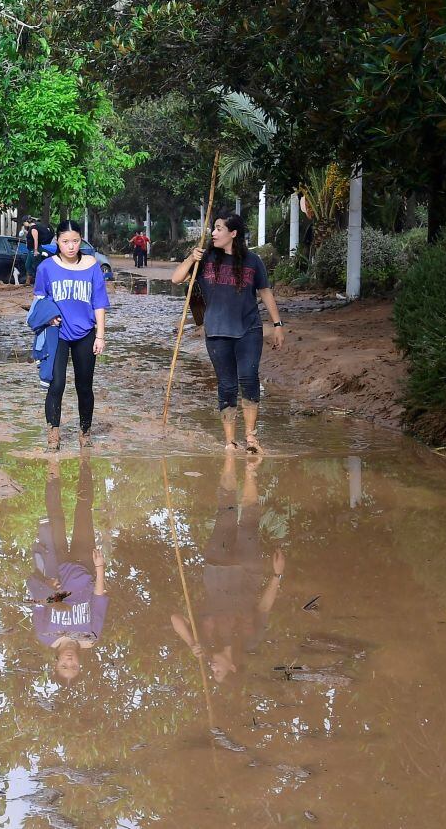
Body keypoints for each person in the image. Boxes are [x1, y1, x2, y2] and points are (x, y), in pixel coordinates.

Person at [172, 212, 283, 453]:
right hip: (216, 332)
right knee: (227, 385)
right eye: (213, 228)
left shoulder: (253, 261)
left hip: (249, 330)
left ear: (233, 233)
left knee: (249, 379)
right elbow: (176, 279)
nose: (213, 232)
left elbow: (265, 293)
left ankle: (251, 438)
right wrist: (192, 258)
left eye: (219, 228)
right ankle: (230, 441)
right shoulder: (205, 259)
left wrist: (277, 325)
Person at [171, 453, 285, 684]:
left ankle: (230, 455)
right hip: (249, 572)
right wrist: (277, 574)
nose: (213, 668)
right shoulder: (251, 641)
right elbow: (263, 607)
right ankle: (251, 469)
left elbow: (175, 618)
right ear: (232, 667)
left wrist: (192, 643)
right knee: (250, 519)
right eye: (218, 672)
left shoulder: (205, 643)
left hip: (217, 569)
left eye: (212, 673)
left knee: (226, 511)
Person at [27, 456, 106, 685]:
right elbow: (99, 600)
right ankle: (85, 461)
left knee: (55, 515)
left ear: (56, 663)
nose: (69, 661)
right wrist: (100, 567)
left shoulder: (44, 636)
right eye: (73, 667)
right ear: (80, 664)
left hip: (56, 567)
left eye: (64, 666)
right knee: (84, 510)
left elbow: (37, 601)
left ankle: (53, 465)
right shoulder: (91, 638)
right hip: (86, 568)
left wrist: (48, 591)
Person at [34, 220, 110, 450]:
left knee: (84, 386)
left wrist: (100, 335)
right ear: (57, 241)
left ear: (81, 241)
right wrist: (48, 316)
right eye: (65, 241)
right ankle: (53, 436)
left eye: (75, 241)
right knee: (56, 384)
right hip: (57, 333)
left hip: (85, 333)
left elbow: (99, 302)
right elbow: (40, 298)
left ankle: (85, 433)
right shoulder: (46, 267)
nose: (70, 246)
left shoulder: (92, 266)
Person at [25, 217, 55, 286]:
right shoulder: (32, 229)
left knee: (36, 265)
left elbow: (36, 240)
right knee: (28, 265)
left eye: (24, 223)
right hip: (31, 249)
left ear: (27, 222)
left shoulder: (33, 228)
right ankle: (31, 280)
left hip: (35, 249)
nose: (24, 224)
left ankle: (40, 281)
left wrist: (35, 250)